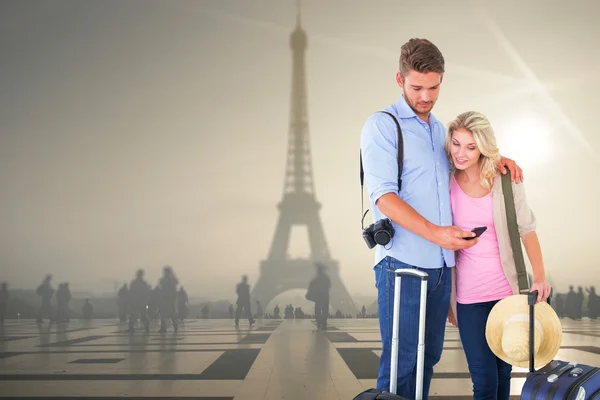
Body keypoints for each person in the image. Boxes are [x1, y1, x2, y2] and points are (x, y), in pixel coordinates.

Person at [359, 38, 523, 399]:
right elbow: (383, 196)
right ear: (399, 80)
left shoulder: (438, 131)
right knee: (402, 362)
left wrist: (497, 160)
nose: (427, 96)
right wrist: (436, 234)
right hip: (402, 265)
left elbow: (466, 161)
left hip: (440, 270)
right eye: (417, 87)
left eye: (434, 87)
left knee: (427, 358)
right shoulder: (383, 126)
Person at [445, 111, 551, 400]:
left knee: (504, 372)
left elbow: (527, 230)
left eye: (471, 147)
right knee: (484, 378)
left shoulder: (505, 180)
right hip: (469, 298)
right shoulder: (444, 179)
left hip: (508, 293)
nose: (461, 153)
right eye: (456, 143)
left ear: (483, 148)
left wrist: (539, 277)